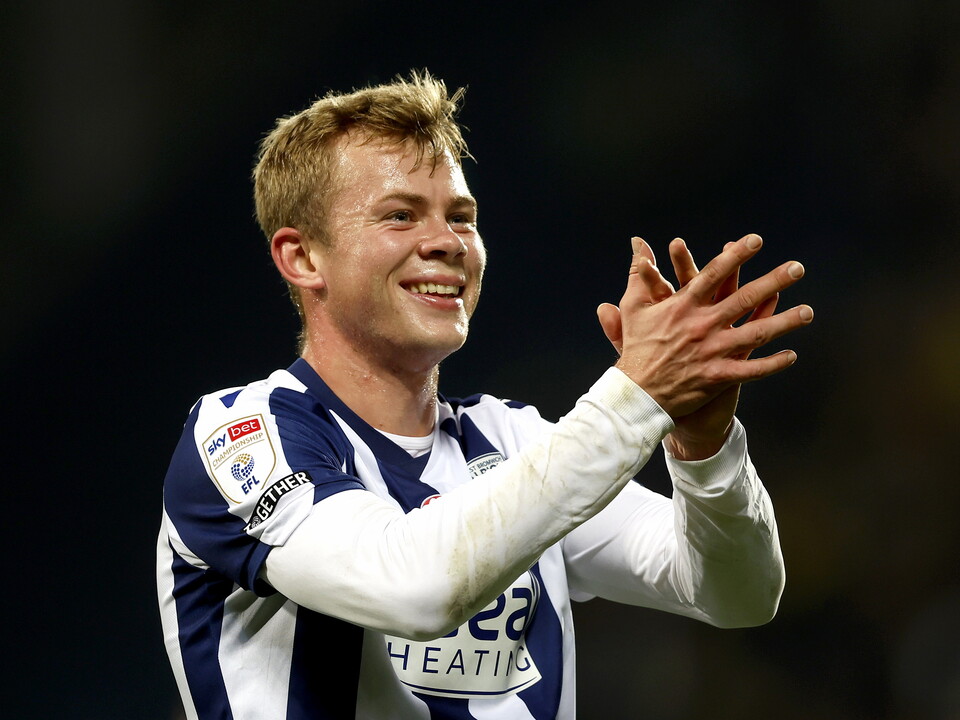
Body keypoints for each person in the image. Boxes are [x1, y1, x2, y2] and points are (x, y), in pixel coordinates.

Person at [157, 71, 813, 720]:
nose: (446, 242)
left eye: (461, 217)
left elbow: (736, 594)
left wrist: (704, 448)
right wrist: (638, 393)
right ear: (303, 259)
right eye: (400, 215)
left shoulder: (513, 442)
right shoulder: (241, 436)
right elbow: (414, 590)